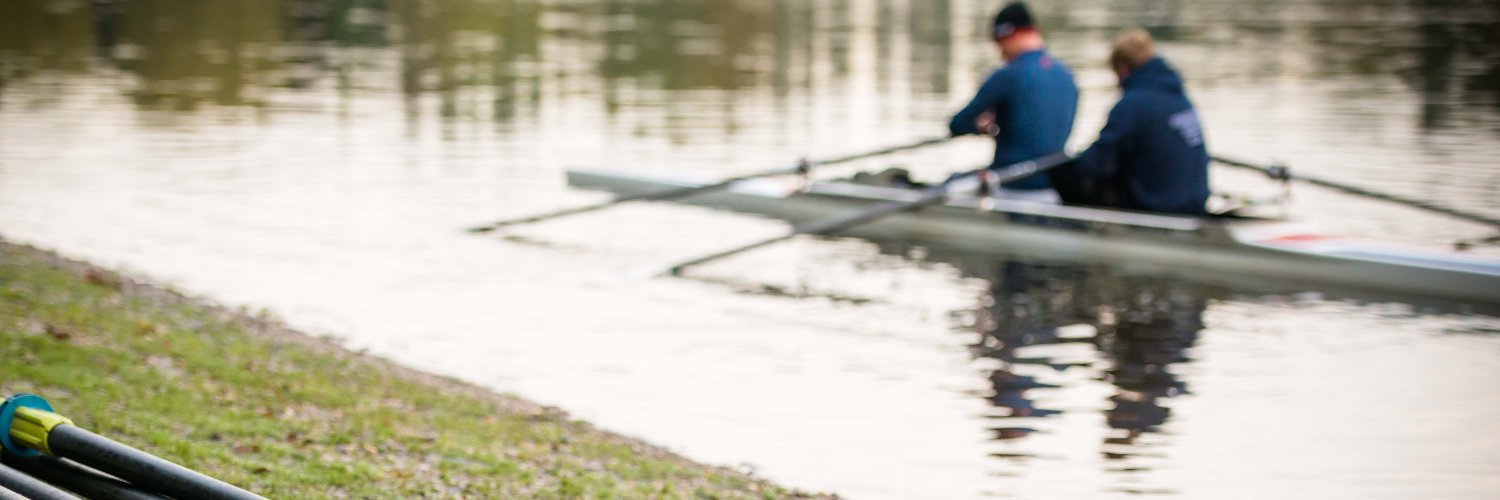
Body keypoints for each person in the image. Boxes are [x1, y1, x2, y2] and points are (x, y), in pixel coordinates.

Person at [1053, 29, 1211, 215]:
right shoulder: (1180, 97)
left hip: (1161, 209)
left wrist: (1068, 165)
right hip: (1194, 204)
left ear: (1122, 69)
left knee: (1063, 173)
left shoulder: (1133, 104)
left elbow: (1095, 163)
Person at [948, 2, 1078, 203]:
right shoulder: (1066, 75)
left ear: (1011, 35)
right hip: (1052, 186)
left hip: (1012, 186)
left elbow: (957, 124)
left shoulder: (1008, 75)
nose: (1000, 53)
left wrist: (981, 126)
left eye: (999, 43)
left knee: (951, 181)